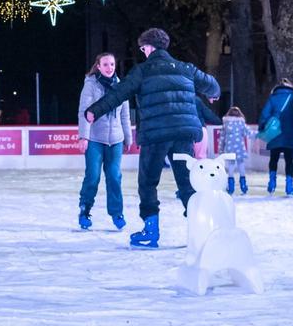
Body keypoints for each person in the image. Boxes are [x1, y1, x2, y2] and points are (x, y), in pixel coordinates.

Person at [85, 28, 220, 249]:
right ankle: (199, 230)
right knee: (187, 182)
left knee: (148, 182)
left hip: (156, 135)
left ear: (148, 47)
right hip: (183, 133)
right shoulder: (186, 68)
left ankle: (151, 230)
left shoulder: (143, 70)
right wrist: (213, 94)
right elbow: (211, 84)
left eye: (143, 48)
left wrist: (94, 111)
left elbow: (118, 94)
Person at [76, 52, 131, 230]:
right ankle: (85, 209)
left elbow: (125, 115)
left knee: (114, 176)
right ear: (98, 66)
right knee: (93, 176)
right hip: (95, 138)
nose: (109, 68)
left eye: (112, 65)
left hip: (115, 139)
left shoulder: (121, 87)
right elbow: (84, 111)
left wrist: (128, 137)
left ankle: (117, 213)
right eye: (105, 65)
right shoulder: (91, 86)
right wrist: (84, 136)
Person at [258, 78, 293, 196]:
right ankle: (289, 185)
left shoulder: (272, 99)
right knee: (289, 160)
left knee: (274, 158)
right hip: (289, 133)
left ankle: (272, 182)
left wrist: (262, 127)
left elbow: (264, 114)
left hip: (275, 133)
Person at [220, 106, 256, 195]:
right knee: (241, 165)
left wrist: (220, 149)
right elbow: (249, 133)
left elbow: (222, 137)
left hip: (229, 147)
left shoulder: (226, 123)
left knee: (231, 166)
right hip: (239, 147)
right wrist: (258, 134)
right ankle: (243, 187)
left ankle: (231, 187)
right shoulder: (241, 123)